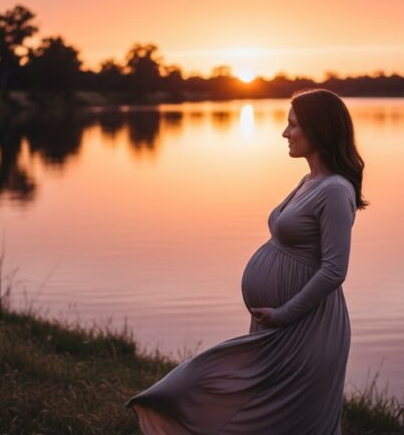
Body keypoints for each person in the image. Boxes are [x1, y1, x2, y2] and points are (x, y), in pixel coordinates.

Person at [124, 88, 368, 434]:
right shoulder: (309, 181)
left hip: (305, 328)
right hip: (279, 324)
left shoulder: (335, 191)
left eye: (293, 126)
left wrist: (284, 314)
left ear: (320, 129)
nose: (285, 133)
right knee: (224, 394)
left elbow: (334, 269)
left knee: (293, 421)